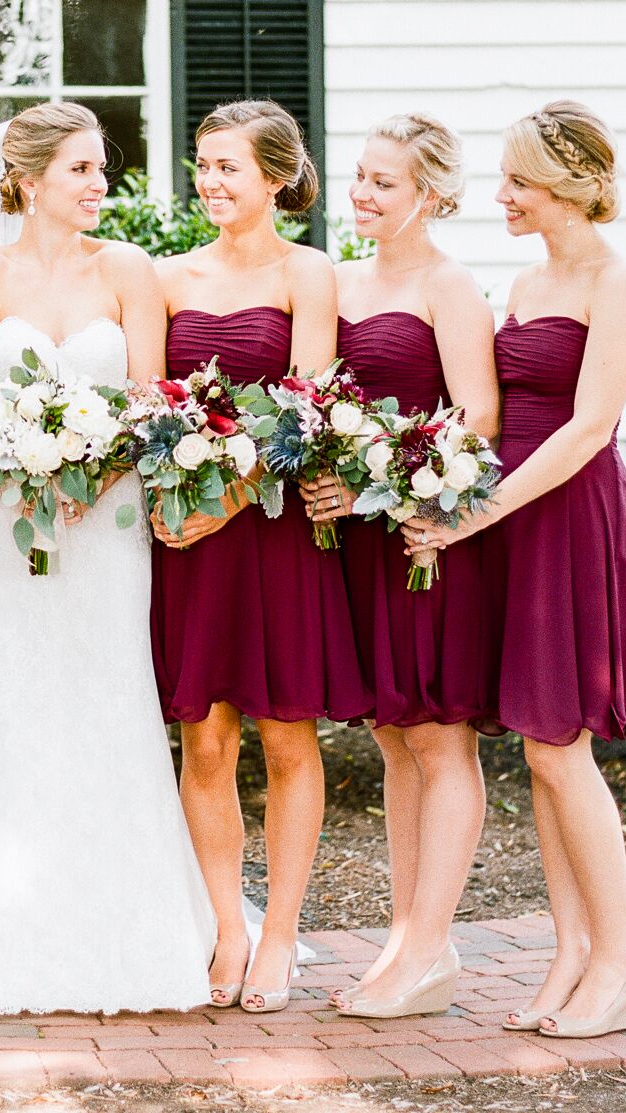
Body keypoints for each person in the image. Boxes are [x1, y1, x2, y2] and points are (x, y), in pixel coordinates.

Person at [0, 101, 216, 1014]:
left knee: (110, 697)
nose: (98, 185)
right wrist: (18, 466)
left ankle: (128, 930)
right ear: (27, 179)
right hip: (5, 523)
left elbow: (154, 403)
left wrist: (94, 469)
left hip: (109, 526)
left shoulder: (129, 270)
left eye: (100, 169)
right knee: (11, 699)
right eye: (80, 169)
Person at [403, 101, 626, 1039]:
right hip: (510, 516)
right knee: (537, 744)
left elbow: (588, 428)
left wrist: (476, 515)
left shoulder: (618, 282)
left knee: (561, 744)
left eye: (516, 181)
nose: (502, 195)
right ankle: (571, 952)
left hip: (570, 520)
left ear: (562, 183)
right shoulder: (524, 279)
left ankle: (621, 954)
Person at [149, 100, 366, 1013]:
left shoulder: (308, 273)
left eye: (229, 166)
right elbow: (145, 405)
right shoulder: (166, 276)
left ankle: (280, 934)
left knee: (285, 734)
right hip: (189, 543)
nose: (211, 181)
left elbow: (306, 410)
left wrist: (227, 502)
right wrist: (181, 508)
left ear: (277, 177)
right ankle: (226, 931)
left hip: (271, 531)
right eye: (202, 164)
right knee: (203, 736)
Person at [306, 114, 500, 1020]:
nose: (361, 194)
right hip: (354, 542)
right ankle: (406, 937)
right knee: (391, 735)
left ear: (431, 192)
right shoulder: (339, 281)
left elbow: (477, 415)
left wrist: (381, 484)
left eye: (383, 181)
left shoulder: (449, 286)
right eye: (359, 177)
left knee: (438, 734)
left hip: (420, 537)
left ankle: (429, 945)